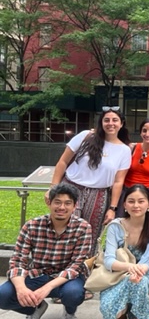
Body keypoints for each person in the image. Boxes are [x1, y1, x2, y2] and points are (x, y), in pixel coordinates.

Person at [0, 183, 92, 319]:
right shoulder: (32, 226)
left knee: (73, 294)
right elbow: (17, 260)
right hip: (37, 275)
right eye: (57, 202)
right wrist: (21, 288)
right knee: (2, 296)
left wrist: (46, 288)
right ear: (49, 203)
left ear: (74, 206)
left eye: (67, 203)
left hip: (66, 278)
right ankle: (34, 309)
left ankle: (69, 311)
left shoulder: (83, 227)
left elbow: (76, 265)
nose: (62, 207)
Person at [45, 107, 131, 254]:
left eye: (115, 120)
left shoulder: (124, 150)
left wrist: (112, 208)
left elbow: (118, 181)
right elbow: (63, 162)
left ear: (121, 123)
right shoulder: (86, 136)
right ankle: (57, 267)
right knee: (64, 227)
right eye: (107, 120)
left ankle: (83, 270)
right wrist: (53, 188)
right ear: (101, 123)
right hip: (71, 188)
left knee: (91, 234)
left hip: (99, 194)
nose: (111, 123)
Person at [99, 185, 149, 319]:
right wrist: (130, 267)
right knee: (110, 309)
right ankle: (122, 311)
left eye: (141, 201)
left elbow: (147, 261)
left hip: (142, 274)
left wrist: (136, 272)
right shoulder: (115, 226)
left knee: (138, 283)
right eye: (131, 201)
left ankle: (138, 318)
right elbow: (108, 261)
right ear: (124, 205)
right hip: (116, 274)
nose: (136, 205)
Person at [117, 118, 149, 217]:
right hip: (126, 192)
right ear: (140, 133)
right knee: (122, 223)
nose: (147, 134)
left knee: (142, 226)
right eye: (144, 130)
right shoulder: (131, 148)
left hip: (145, 194)